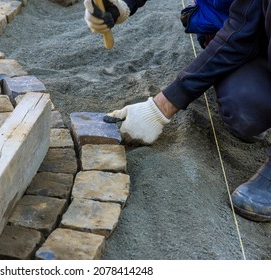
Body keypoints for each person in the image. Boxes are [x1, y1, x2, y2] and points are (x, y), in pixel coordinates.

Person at [84, 0, 271, 222]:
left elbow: (240, 33)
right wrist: (121, 3)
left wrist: (161, 107)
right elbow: (243, 25)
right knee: (245, 109)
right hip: (256, 31)